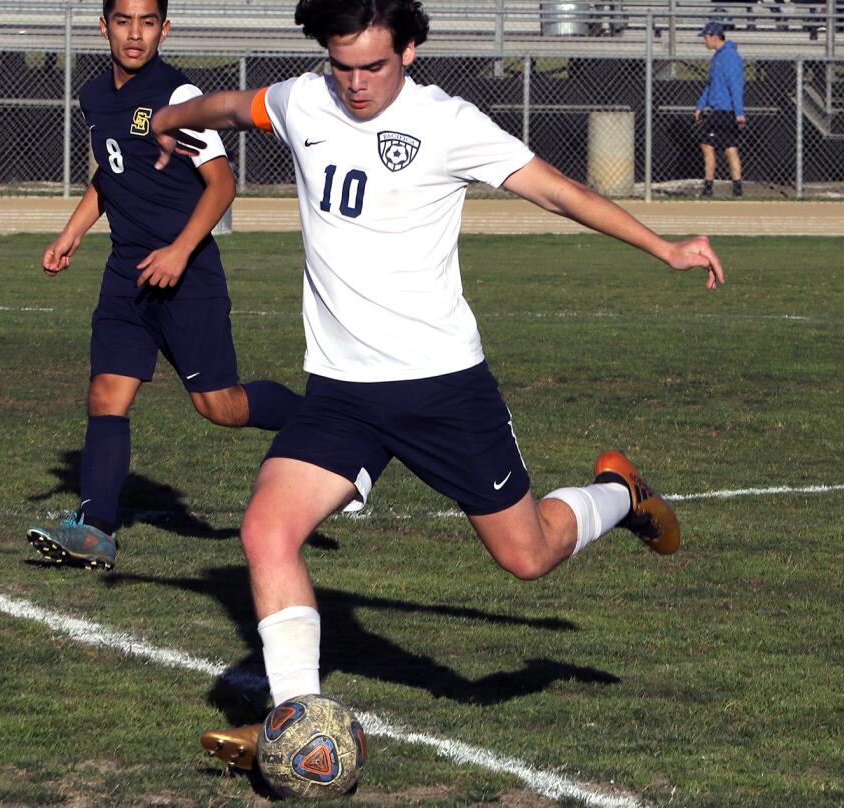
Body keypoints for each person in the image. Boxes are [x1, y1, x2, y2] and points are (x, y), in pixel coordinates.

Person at [150, 0, 726, 768]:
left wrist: (664, 247)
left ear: (411, 50)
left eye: (374, 67)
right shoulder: (301, 100)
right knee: (266, 529)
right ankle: (296, 720)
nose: (355, 85)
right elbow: (232, 105)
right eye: (342, 66)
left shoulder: (449, 123)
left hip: (441, 389)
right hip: (342, 391)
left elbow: (555, 189)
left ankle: (620, 492)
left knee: (526, 556)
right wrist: (171, 117)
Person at [25, 0, 303, 571]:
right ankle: (96, 529)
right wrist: (72, 232)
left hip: (187, 277)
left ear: (164, 29)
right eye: (123, 21)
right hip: (126, 273)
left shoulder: (179, 98)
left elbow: (222, 186)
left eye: (147, 22)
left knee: (219, 406)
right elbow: (110, 170)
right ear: (103, 26)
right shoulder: (94, 97)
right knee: (107, 394)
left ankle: (326, 424)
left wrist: (179, 251)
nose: (135, 33)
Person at [694, 21, 746, 197]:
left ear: (714, 36)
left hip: (725, 111)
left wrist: (739, 113)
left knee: (712, 146)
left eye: (706, 37)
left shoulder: (730, 57)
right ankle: (735, 187)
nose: (704, 41)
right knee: (727, 147)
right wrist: (701, 105)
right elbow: (711, 85)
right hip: (717, 110)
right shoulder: (717, 57)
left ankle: (711, 187)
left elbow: (735, 86)